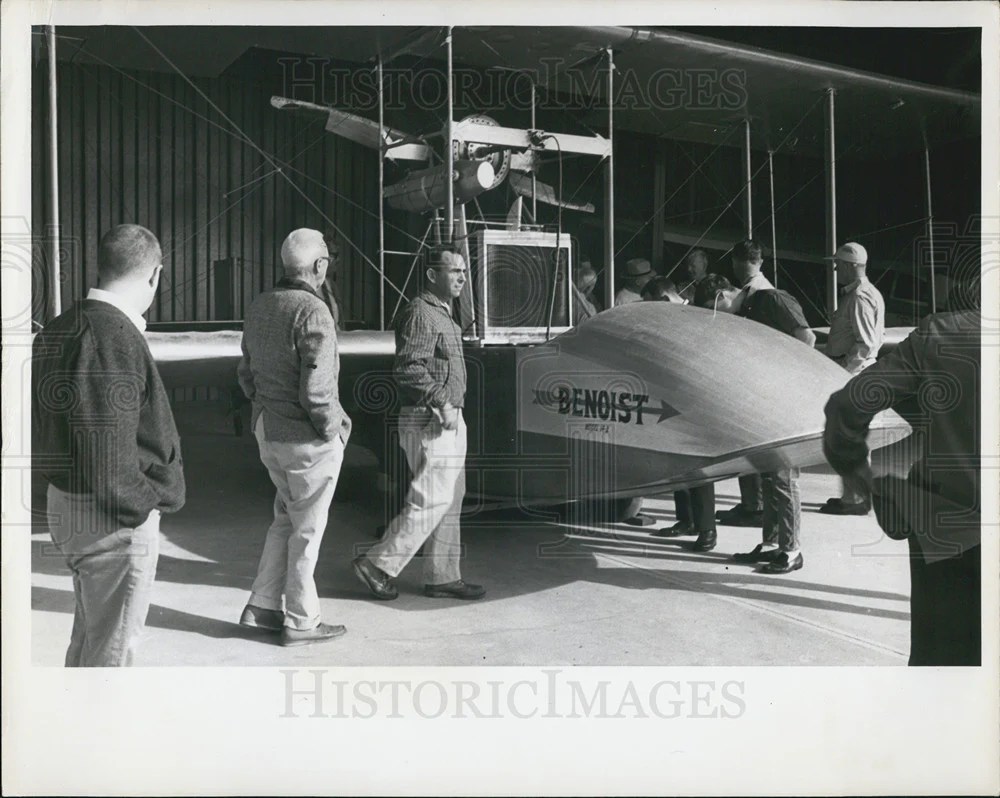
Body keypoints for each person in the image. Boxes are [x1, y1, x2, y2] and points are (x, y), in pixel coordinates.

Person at [32, 224, 185, 666]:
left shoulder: (63, 326)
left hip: (70, 505)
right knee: (113, 655)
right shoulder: (110, 337)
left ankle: (74, 727)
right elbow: (107, 459)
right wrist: (145, 505)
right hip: (109, 520)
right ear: (155, 275)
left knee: (90, 639)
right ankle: (96, 734)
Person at [823, 306, 980, 666]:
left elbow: (848, 405)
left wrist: (859, 475)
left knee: (943, 672)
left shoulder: (942, 332)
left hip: (948, 531)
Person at [237, 228, 353, 647]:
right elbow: (318, 390)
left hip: (269, 432)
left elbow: (246, 375)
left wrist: (266, 409)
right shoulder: (313, 310)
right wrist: (335, 428)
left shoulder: (260, 305)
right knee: (308, 529)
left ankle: (262, 607)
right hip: (306, 439)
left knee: (285, 520)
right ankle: (302, 622)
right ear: (320, 266)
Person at [353, 250, 485, 601]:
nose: (461, 277)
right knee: (433, 497)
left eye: (463, 270)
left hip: (450, 418)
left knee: (450, 499)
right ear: (430, 275)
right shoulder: (421, 313)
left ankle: (442, 576)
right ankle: (376, 565)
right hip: (430, 418)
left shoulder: (444, 315)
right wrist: (442, 401)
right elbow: (409, 367)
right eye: (453, 270)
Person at [694, 274, 815, 573]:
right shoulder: (746, 310)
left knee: (785, 480)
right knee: (768, 477)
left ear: (722, 296)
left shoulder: (773, 299)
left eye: (713, 308)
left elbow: (807, 339)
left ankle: (792, 550)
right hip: (763, 402)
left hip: (785, 401)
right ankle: (772, 543)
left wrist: (788, 384)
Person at [818, 241, 886, 515]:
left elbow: (866, 344)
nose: (835, 268)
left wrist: (842, 371)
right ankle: (853, 496)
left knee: (848, 438)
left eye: (838, 264)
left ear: (849, 266)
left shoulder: (859, 297)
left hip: (853, 374)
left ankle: (857, 500)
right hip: (857, 373)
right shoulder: (867, 293)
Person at [716, 240, 775, 527]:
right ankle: (752, 503)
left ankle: (754, 505)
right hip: (753, 373)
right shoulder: (760, 288)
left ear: (738, 263)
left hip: (752, 375)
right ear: (760, 261)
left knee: (750, 443)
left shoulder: (757, 292)